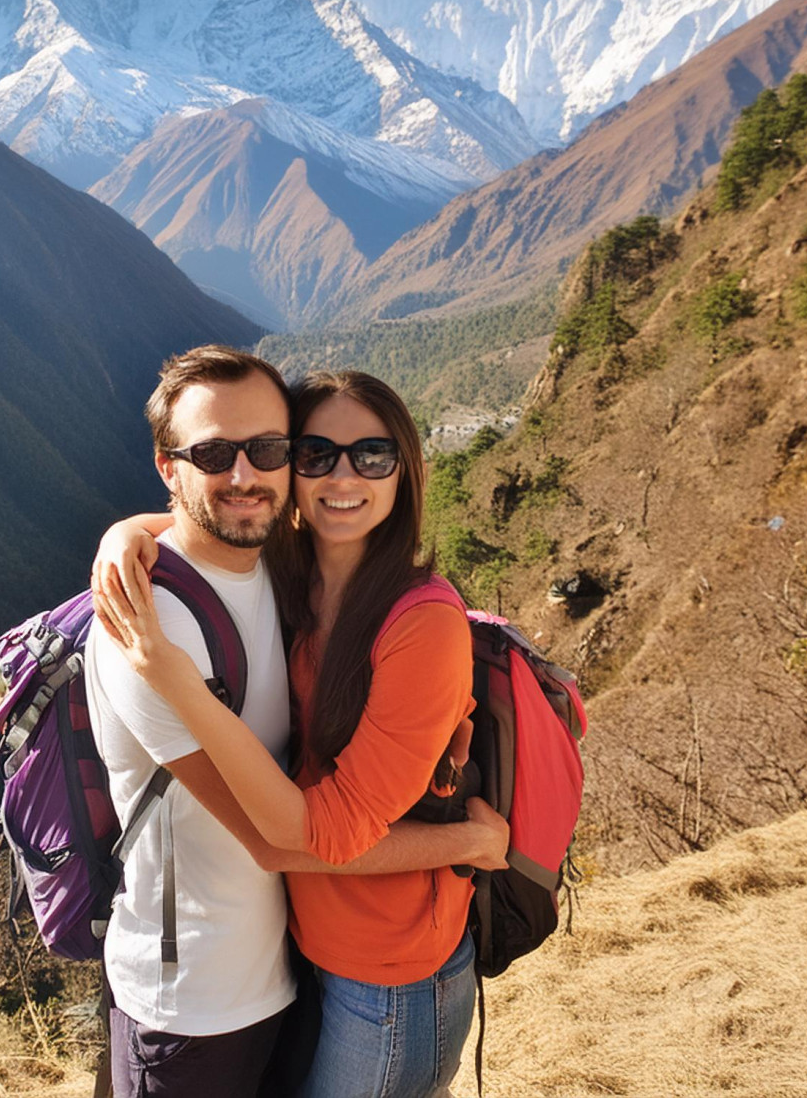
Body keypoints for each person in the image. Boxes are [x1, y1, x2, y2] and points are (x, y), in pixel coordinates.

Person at [85, 348, 506, 1098]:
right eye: (317, 453)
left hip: (390, 979)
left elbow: (306, 837)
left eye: (372, 455)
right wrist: (124, 536)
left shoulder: (416, 622)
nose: (344, 477)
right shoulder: (283, 578)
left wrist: (178, 681)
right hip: (255, 976)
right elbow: (215, 516)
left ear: (405, 470)